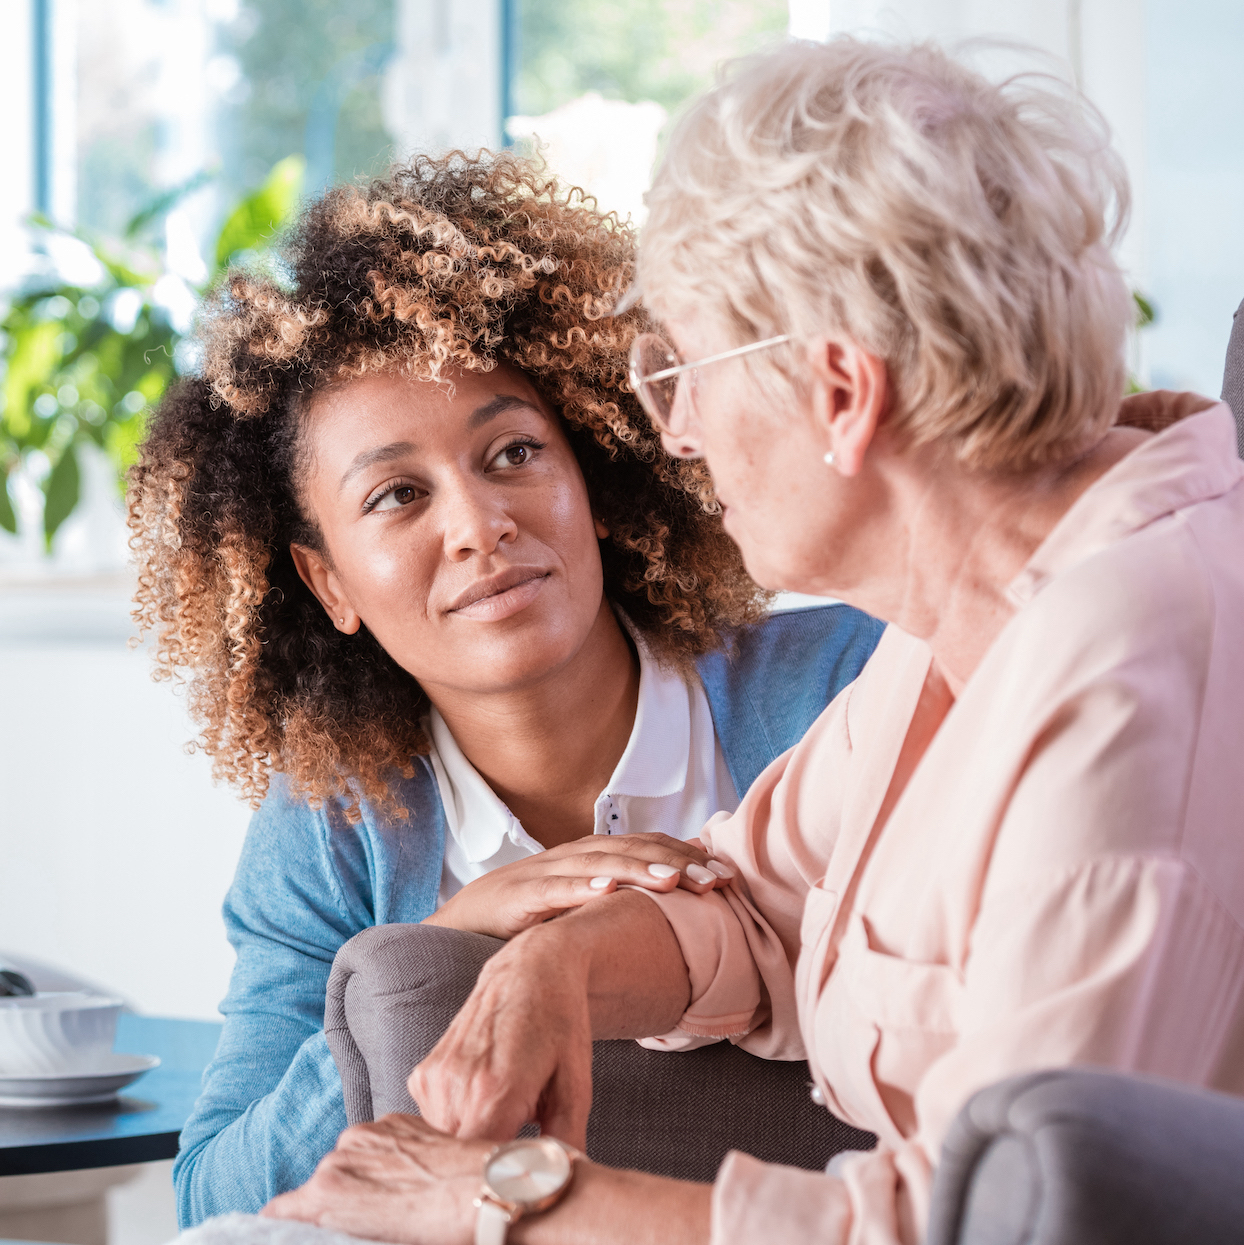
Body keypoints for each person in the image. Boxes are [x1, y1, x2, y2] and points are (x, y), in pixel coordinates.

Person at [262, 37, 1244, 1245]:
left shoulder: (1126, 667)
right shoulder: (962, 621)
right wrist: (551, 965)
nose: (675, 437)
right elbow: (752, 899)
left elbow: (993, 1223)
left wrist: (509, 1205)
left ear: (837, 390)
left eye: (682, 371)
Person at [127, 153, 882, 1226]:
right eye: (396, 495)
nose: (479, 523)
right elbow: (214, 1196)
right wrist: (448, 943)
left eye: (515, 452)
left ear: (592, 478)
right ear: (327, 580)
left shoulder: (846, 684)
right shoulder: (334, 831)